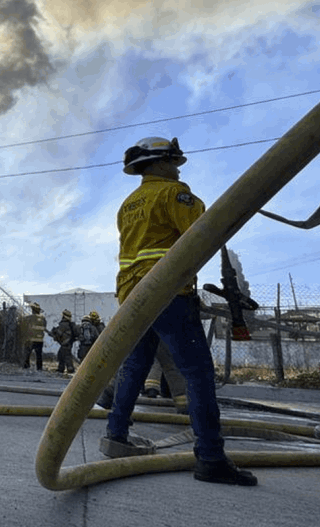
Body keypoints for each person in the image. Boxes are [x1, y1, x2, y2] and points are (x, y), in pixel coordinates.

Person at [101, 137, 257, 486]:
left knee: (136, 364)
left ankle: (116, 436)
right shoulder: (175, 194)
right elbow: (204, 234)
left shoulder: (128, 204)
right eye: (173, 161)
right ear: (157, 163)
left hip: (132, 295)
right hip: (166, 291)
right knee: (198, 373)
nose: (177, 168)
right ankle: (211, 457)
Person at [48, 309, 79, 374]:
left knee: (67, 356)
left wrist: (53, 333)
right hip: (69, 343)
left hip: (65, 343)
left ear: (64, 316)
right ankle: (61, 369)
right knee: (61, 355)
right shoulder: (70, 324)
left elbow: (59, 334)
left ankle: (70, 369)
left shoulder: (63, 324)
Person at [19, 302, 47, 370]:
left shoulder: (29, 318)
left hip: (30, 340)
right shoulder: (43, 318)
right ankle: (39, 369)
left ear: (33, 310)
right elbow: (44, 327)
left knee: (27, 355)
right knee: (39, 356)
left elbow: (23, 326)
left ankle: (26, 368)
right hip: (40, 340)